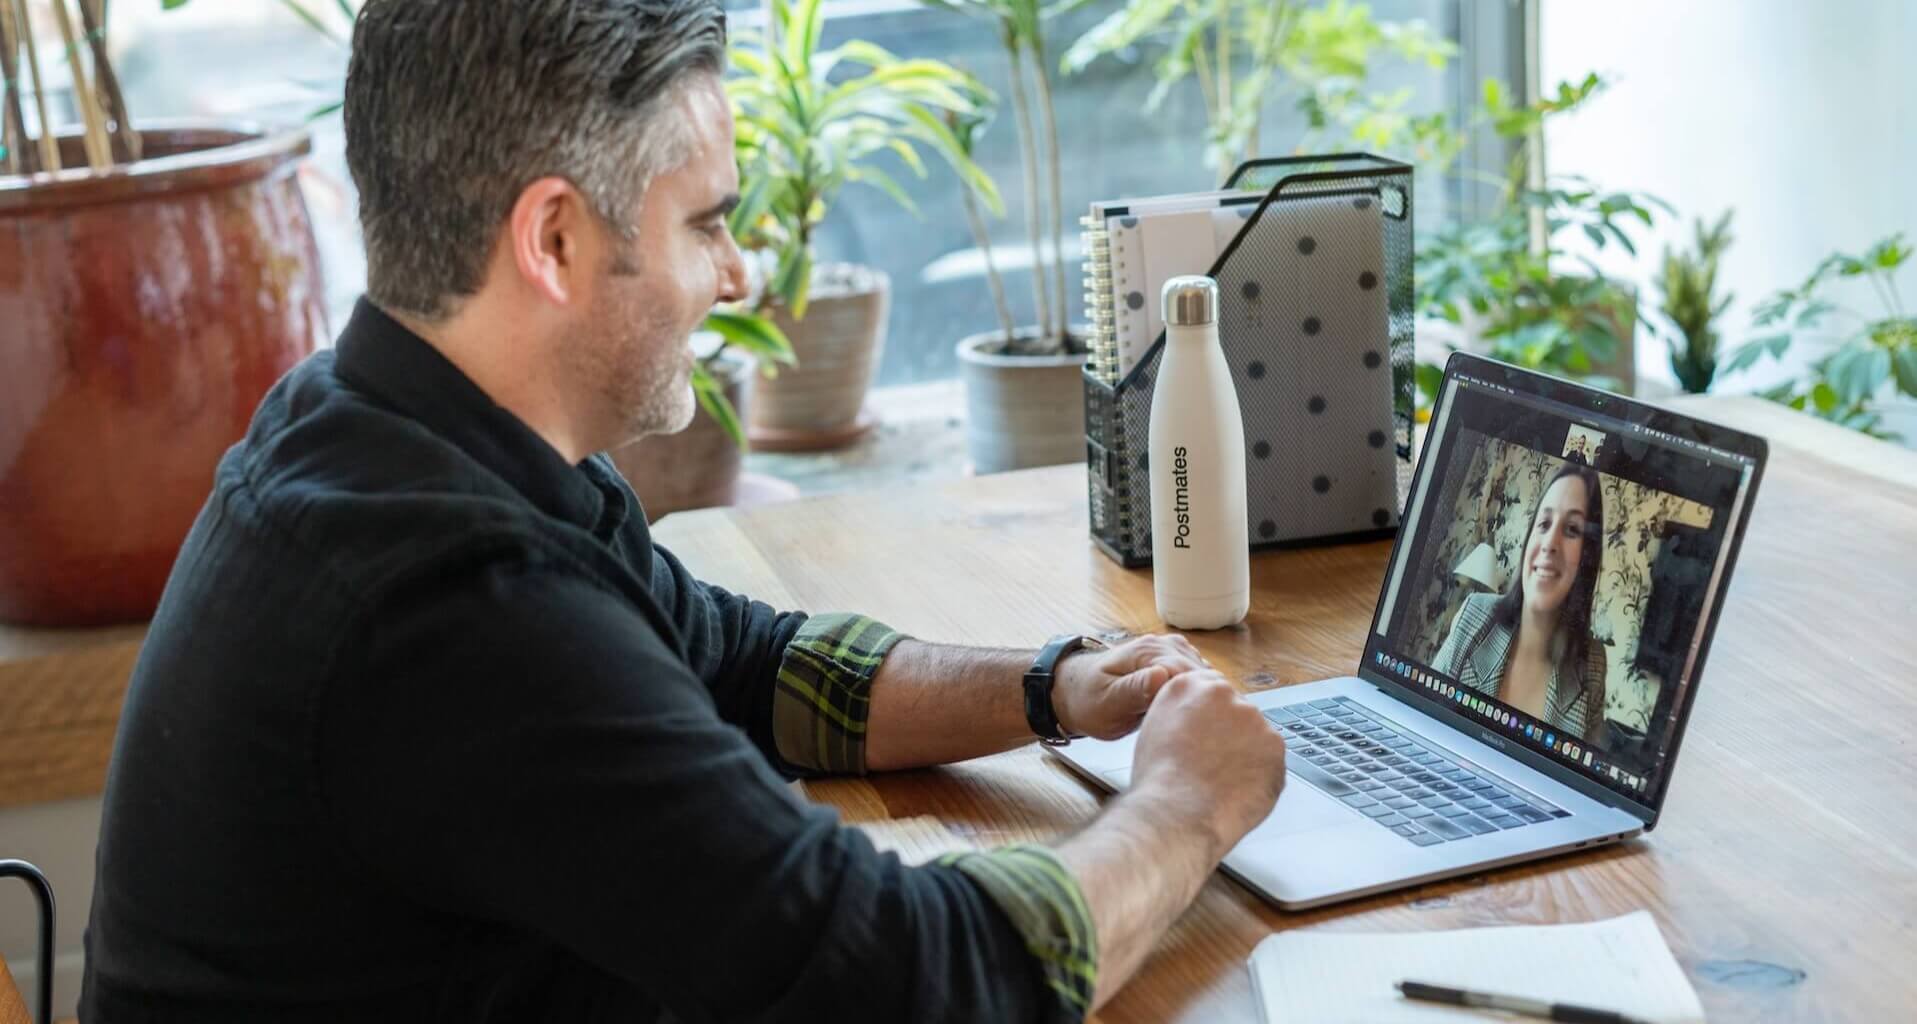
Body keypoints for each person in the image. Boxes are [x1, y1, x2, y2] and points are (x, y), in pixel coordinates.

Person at [77, 3, 1289, 1022]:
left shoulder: (387, 422)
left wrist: (1054, 684)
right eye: (706, 220)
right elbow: (920, 986)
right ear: (554, 237)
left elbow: (742, 663)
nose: (739, 271)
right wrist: (1188, 802)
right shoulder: (455, 605)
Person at [1432, 462, 1609, 742]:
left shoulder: (1593, 665)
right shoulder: (1473, 615)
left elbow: (1580, 778)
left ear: (1587, 557)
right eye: (1544, 523)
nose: (1550, 543)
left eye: (1572, 529)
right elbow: (1420, 714)